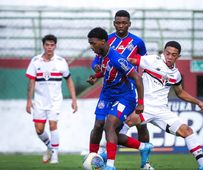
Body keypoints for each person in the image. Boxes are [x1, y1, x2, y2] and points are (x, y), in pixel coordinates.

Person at [128, 40, 203, 170]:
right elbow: (129, 60)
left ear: (178, 56)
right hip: (144, 107)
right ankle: (106, 156)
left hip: (162, 111)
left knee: (188, 131)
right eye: (167, 53)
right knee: (122, 125)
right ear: (164, 52)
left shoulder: (176, 75)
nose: (169, 57)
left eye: (173, 55)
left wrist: (198, 102)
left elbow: (180, 93)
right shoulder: (152, 60)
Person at [90, 10, 152, 170]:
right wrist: (96, 72)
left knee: (140, 125)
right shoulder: (105, 41)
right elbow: (99, 62)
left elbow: (145, 63)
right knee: (101, 126)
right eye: (118, 22)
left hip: (129, 89)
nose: (121, 26)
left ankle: (144, 161)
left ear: (129, 24)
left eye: (124, 22)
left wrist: (142, 99)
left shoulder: (137, 42)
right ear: (114, 23)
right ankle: (93, 159)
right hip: (108, 91)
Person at [25, 34, 78, 164]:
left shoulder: (60, 62)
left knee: (53, 125)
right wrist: (29, 100)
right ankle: (50, 147)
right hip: (39, 101)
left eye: (52, 45)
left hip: (55, 101)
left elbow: (69, 80)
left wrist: (74, 99)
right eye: (47, 45)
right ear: (43, 46)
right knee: (39, 130)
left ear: (55, 46)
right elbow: (31, 81)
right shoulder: (35, 61)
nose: (49, 47)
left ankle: (55, 156)